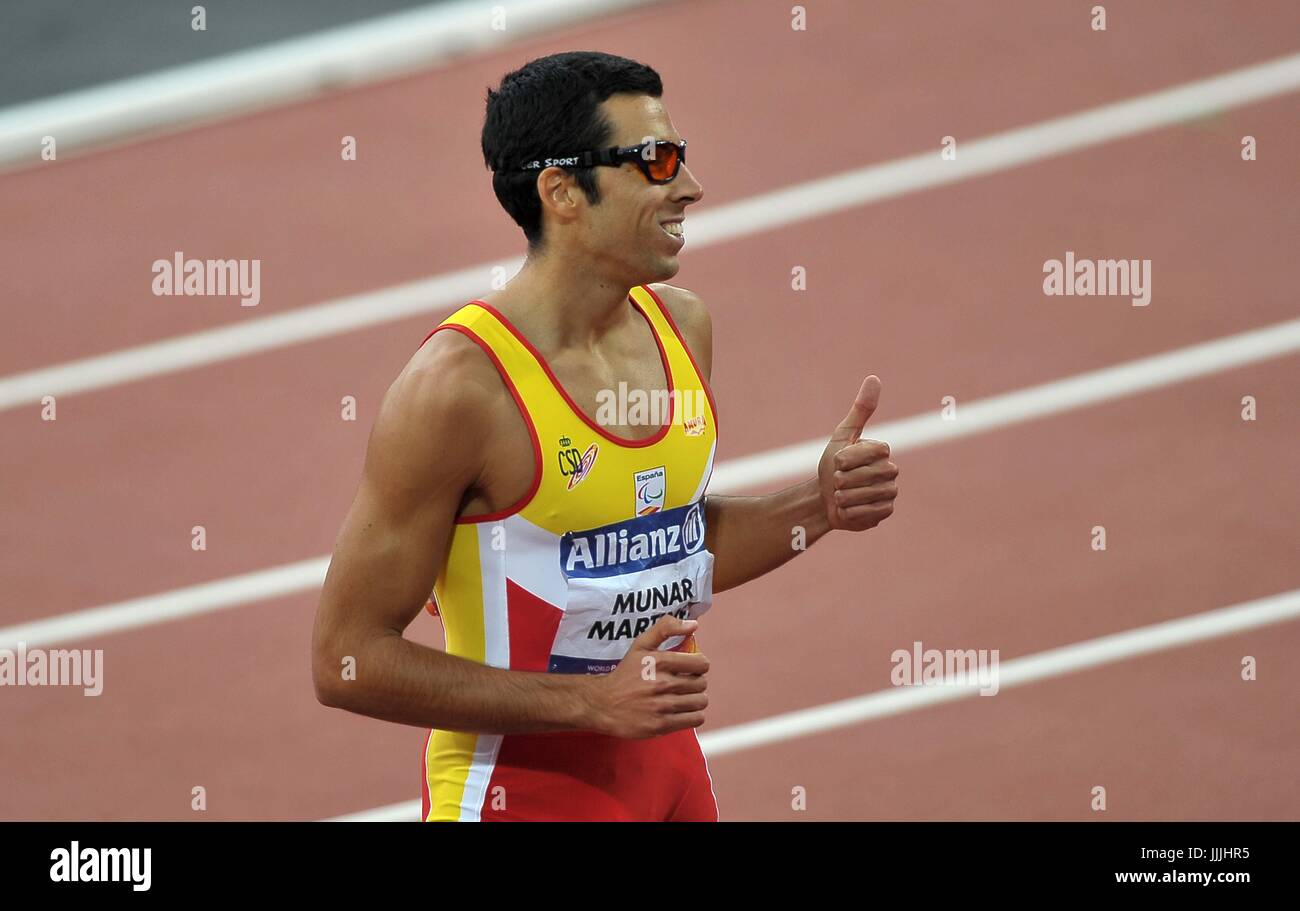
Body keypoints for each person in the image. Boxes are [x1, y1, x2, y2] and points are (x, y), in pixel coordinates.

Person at [311, 51, 899, 821]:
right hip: (514, 792)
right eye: (654, 161)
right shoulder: (460, 389)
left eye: (680, 156)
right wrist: (591, 702)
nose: (689, 186)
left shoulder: (683, 329)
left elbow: (672, 543)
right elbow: (345, 658)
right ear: (561, 191)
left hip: (669, 771)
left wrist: (817, 506)